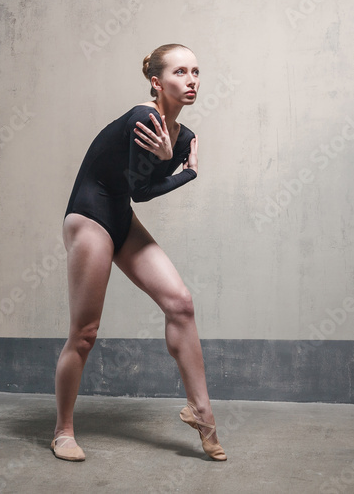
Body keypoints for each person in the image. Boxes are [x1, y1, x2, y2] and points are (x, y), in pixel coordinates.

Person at [52, 43, 226, 462]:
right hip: (90, 215)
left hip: (120, 218)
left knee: (180, 304)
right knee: (85, 332)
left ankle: (201, 413)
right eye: (180, 72)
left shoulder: (184, 137)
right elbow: (142, 191)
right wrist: (186, 173)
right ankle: (62, 431)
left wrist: (175, 161)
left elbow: (138, 192)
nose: (191, 81)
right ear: (156, 81)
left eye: (196, 72)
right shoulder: (143, 117)